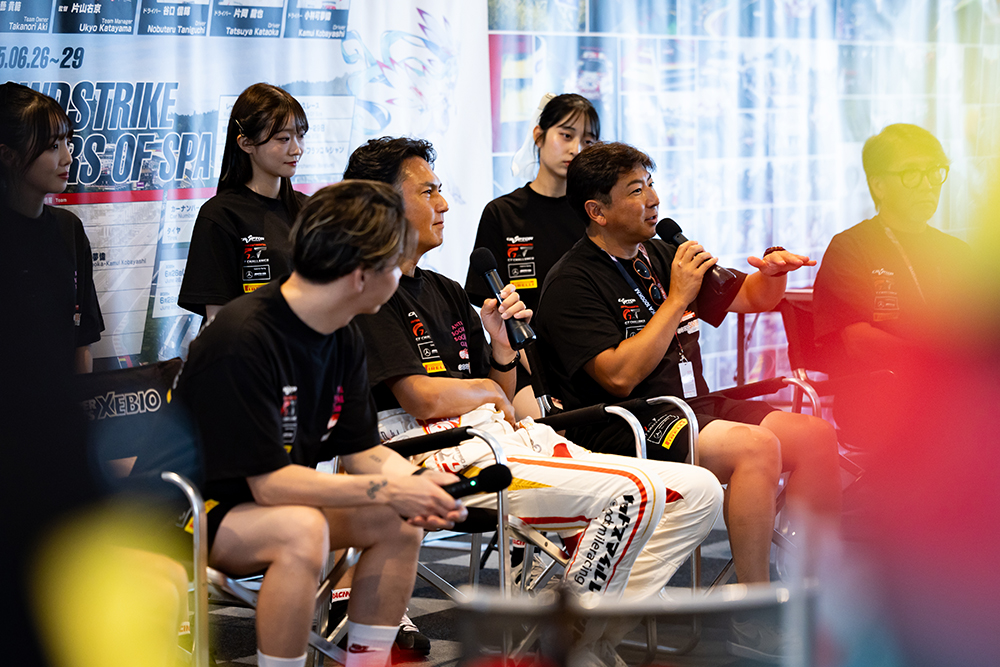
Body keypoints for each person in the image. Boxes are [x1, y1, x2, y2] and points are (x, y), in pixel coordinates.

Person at [344, 136, 724, 665]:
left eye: (440, 189)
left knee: (699, 491)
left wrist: (501, 352)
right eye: (428, 192)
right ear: (380, 205)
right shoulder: (365, 290)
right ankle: (564, 643)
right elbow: (422, 397)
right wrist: (487, 393)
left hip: (495, 439)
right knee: (635, 495)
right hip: (430, 456)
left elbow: (498, 397)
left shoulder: (445, 289)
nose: (444, 204)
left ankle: (571, 638)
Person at [535, 141, 842, 662]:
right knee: (755, 447)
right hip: (623, 424)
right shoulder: (572, 281)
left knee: (814, 435)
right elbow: (618, 377)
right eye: (636, 190)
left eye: (651, 184)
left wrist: (773, 273)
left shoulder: (660, 255)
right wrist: (677, 298)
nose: (653, 199)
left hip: (685, 408)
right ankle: (752, 610)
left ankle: (807, 588)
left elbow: (754, 298)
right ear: (597, 211)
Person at [176, 180, 467, 667]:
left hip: (268, 500)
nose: (401, 274)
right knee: (302, 528)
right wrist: (391, 489)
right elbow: (270, 485)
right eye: (395, 263)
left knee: (400, 520)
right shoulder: (244, 337)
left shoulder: (342, 333)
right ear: (360, 275)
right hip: (185, 510)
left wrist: (419, 485)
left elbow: (364, 453)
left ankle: (366, 661)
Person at [812, 123, 969, 449]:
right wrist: (940, 362)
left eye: (935, 172)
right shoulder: (851, 248)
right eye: (912, 174)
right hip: (879, 401)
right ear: (878, 184)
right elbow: (858, 342)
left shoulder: (957, 252)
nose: (928, 185)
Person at [464, 93, 599, 419]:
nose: (576, 149)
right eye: (566, 135)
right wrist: (538, 370)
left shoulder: (595, 215)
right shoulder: (503, 214)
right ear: (539, 135)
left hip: (590, 357)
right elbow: (494, 304)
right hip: (524, 361)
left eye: (588, 141)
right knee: (556, 426)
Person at [178, 82, 308, 321]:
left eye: (300, 136)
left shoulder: (311, 211)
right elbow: (217, 319)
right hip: (248, 342)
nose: (297, 149)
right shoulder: (220, 216)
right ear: (246, 143)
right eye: (283, 138)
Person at [0, 81, 104, 374]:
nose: (68, 158)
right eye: (52, 146)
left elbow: (82, 339)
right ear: (8, 155)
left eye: (67, 143)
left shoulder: (69, 229)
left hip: (64, 400)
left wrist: (81, 397)